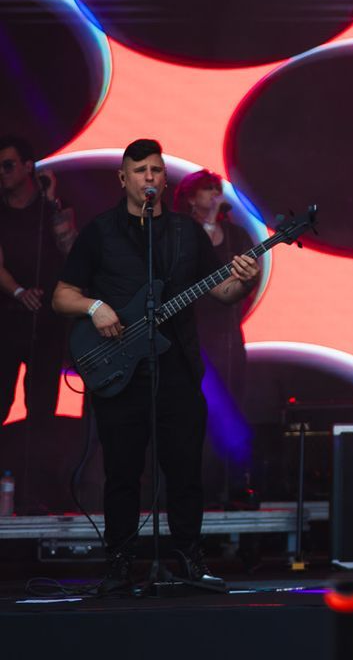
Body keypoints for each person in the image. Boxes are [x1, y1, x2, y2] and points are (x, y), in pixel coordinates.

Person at [51, 140, 260, 594]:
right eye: (141, 169)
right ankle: (121, 565)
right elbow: (61, 295)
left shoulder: (186, 233)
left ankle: (187, 561)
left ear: (166, 179)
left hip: (177, 368)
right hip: (119, 371)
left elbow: (220, 293)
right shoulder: (101, 232)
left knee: (185, 470)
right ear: (123, 179)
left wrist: (243, 280)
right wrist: (96, 308)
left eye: (157, 170)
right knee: (122, 472)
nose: (150, 177)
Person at [0, 135, 77, 513]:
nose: (3, 173)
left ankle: (36, 494)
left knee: (41, 408)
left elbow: (70, 249)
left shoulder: (51, 208)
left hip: (45, 323)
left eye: (9, 165)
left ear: (29, 166)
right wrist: (18, 293)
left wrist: (53, 201)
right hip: (7, 319)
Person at [175, 169, 257, 508]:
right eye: (208, 189)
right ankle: (193, 489)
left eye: (217, 189)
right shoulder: (180, 234)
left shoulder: (236, 236)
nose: (215, 194)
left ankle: (231, 486)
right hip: (192, 335)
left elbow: (249, 281)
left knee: (232, 408)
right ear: (192, 197)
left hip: (227, 334)